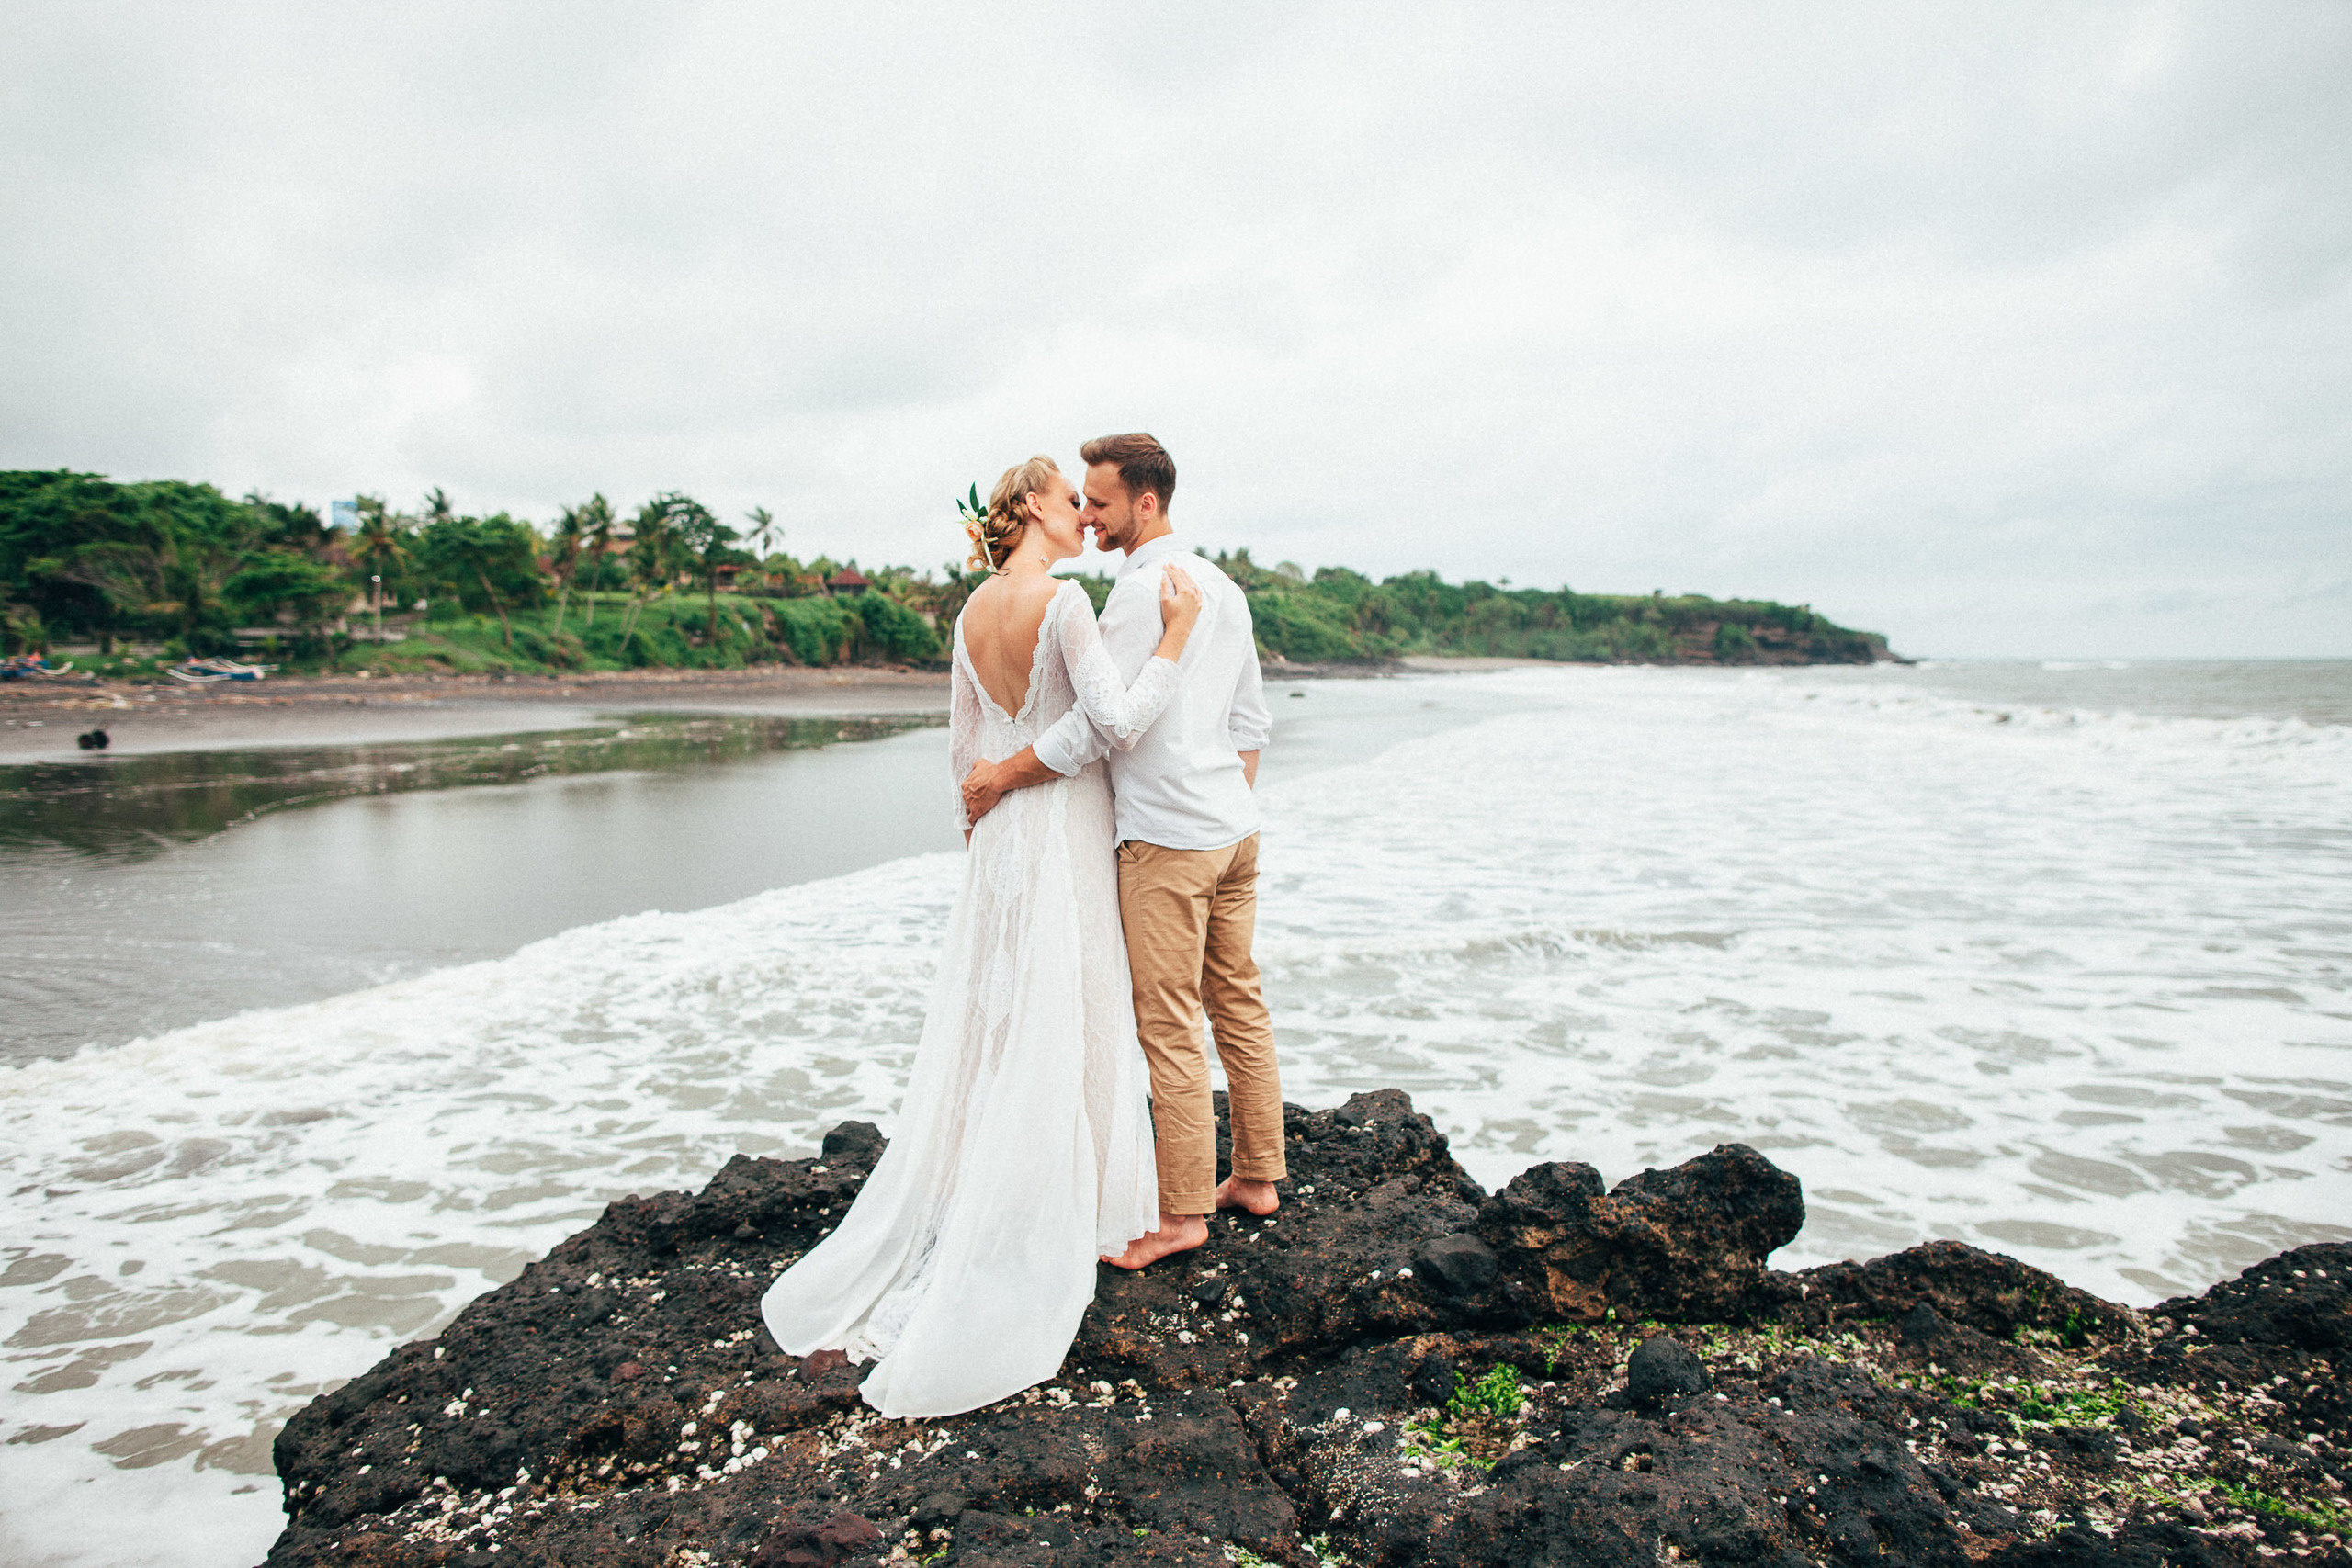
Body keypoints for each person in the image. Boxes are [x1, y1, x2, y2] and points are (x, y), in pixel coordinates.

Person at [761, 454, 1204, 1418]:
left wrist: (983, 826)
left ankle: (992, 1192)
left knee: (999, 1017)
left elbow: (962, 746)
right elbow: (1117, 723)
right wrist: (1175, 637)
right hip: (1060, 822)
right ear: (1034, 507)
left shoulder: (968, 612)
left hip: (1000, 834)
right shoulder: (1064, 603)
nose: (1084, 513)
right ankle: (1069, 1208)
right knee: (1072, 1002)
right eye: (1069, 500)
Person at [962, 432, 1282, 1272]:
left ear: (1146, 501)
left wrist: (1004, 774)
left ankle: (1182, 1214)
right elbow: (1250, 720)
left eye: (1099, 502)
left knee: (1168, 1025)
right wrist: (1224, 804)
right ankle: (1257, 1176)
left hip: (1168, 841)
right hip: (1233, 829)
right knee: (1238, 1002)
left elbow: (1099, 726)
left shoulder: (1140, 595)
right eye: (1082, 502)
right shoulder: (1223, 586)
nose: (1090, 518)